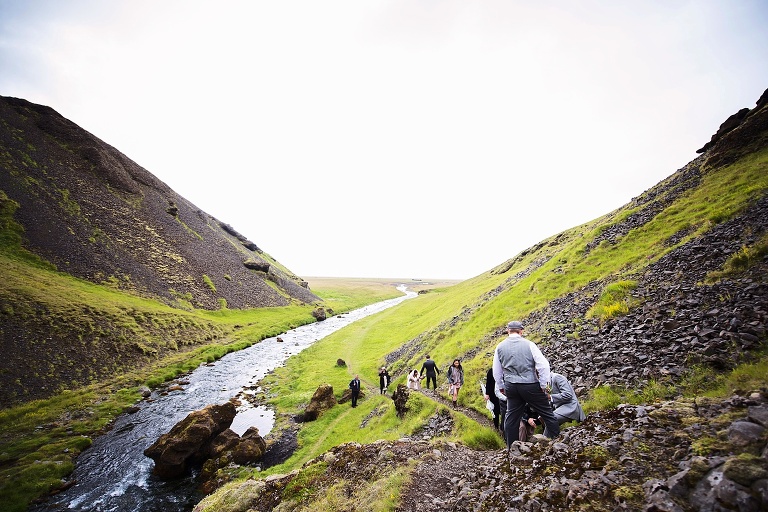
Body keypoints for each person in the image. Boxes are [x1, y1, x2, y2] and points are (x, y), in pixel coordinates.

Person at [492, 320, 560, 447]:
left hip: (511, 386)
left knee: (511, 418)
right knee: (547, 414)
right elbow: (543, 365)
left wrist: (501, 387)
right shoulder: (529, 344)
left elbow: (496, 371)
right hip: (530, 384)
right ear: (521, 331)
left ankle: (511, 449)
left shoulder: (500, 347)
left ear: (508, 331)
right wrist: (544, 386)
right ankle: (557, 443)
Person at [484, 367, 501, 431]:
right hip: (493, 394)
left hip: (503, 394)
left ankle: (503, 427)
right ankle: (496, 426)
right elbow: (488, 382)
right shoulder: (491, 371)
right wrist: (487, 394)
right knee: (495, 410)